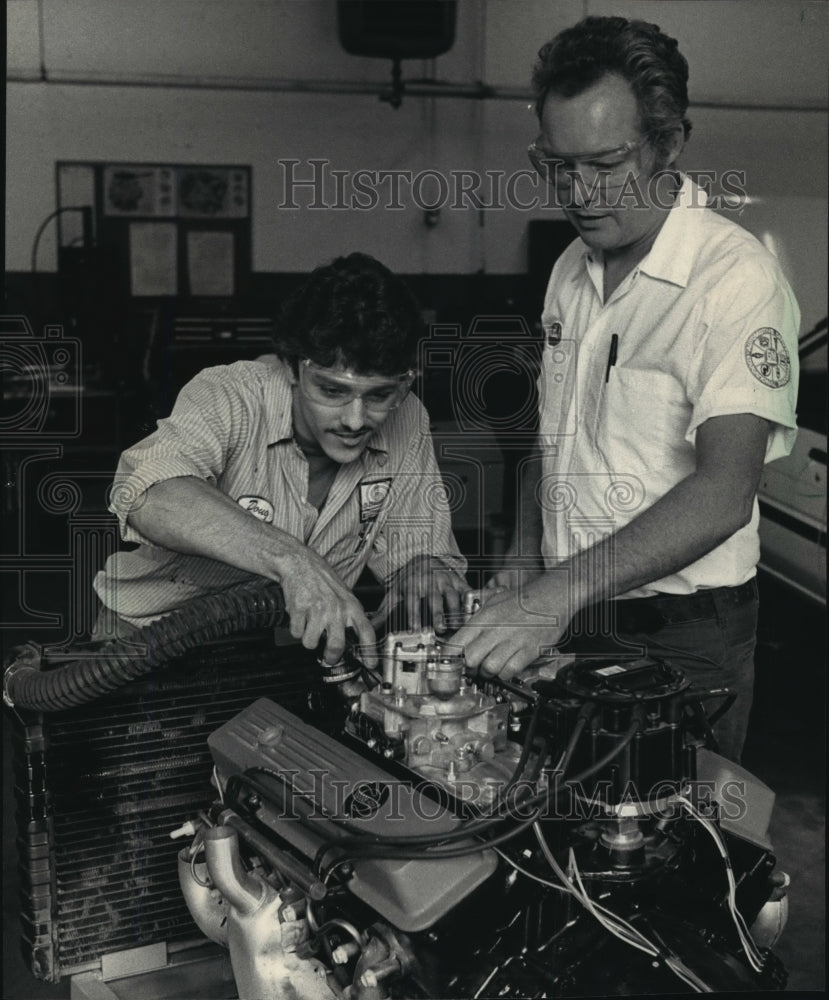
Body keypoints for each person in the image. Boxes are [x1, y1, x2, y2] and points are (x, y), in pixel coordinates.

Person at [454, 16, 800, 762]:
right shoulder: (569, 271)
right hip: (571, 616)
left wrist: (550, 596)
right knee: (550, 836)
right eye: (555, 164)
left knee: (674, 852)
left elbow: (721, 493)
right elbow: (554, 441)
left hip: (679, 638)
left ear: (667, 142)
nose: (577, 192)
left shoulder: (731, 279)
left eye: (605, 164)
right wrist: (520, 564)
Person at [92, 252, 468, 665]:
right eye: (332, 391)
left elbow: (418, 547)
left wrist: (423, 566)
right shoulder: (229, 394)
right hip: (145, 647)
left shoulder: (407, 416)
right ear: (291, 367)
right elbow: (151, 493)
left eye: (379, 395)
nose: (356, 420)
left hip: (281, 658)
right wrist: (294, 561)